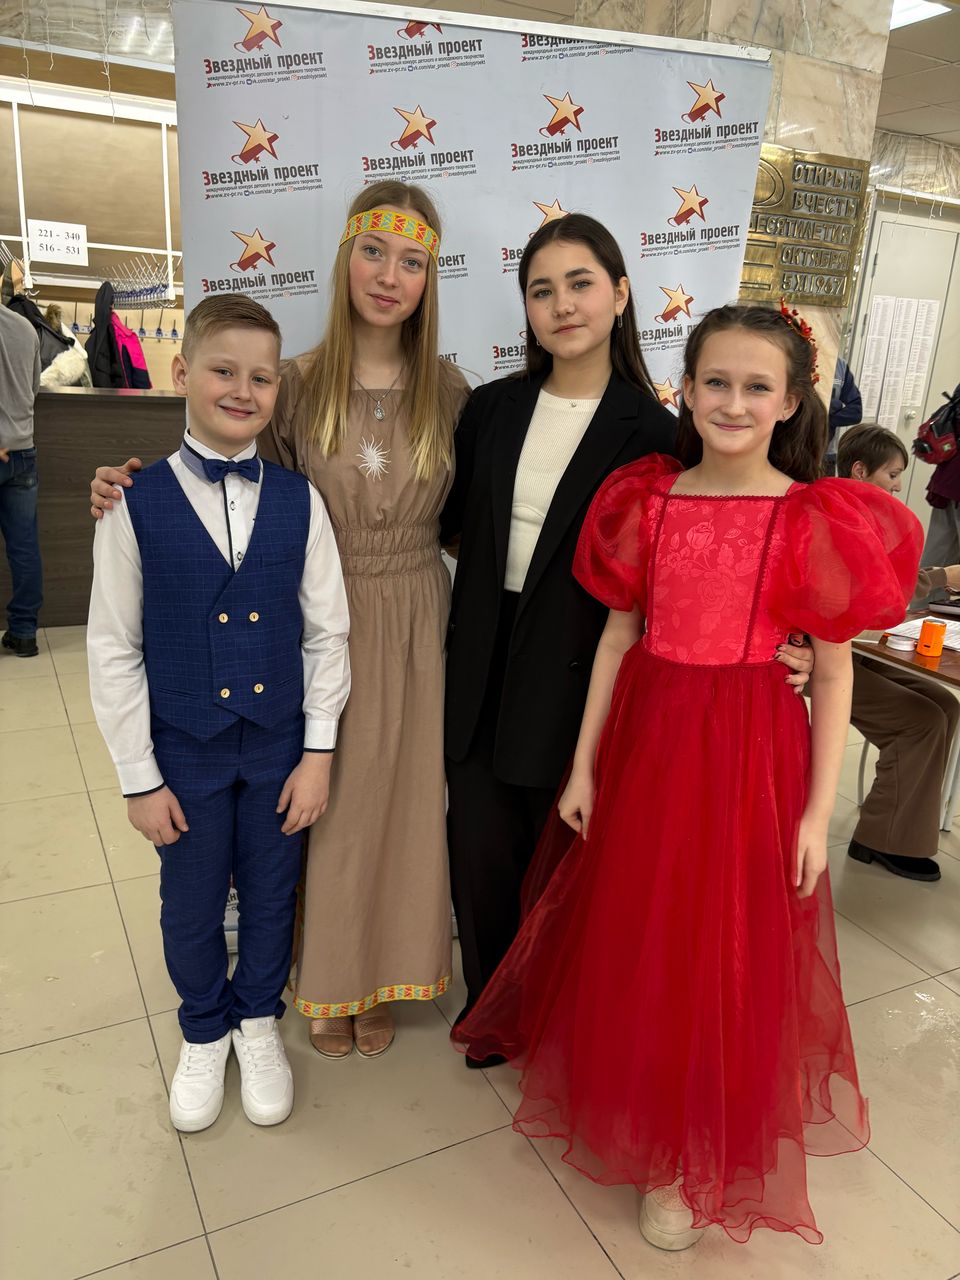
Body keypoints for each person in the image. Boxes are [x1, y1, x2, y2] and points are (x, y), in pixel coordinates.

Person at [453, 304, 922, 1248]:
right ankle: (639, 1103)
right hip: (650, 741)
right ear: (687, 388)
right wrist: (584, 767)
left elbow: (834, 674)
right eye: (716, 382)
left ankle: (689, 1153)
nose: (734, 403)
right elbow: (616, 639)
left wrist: (815, 816)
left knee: (724, 942)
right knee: (643, 926)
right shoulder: (649, 501)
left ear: (791, 402)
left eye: (757, 387)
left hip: (751, 753)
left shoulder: (812, 515)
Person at [89, 182, 469, 1060]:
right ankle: (329, 974)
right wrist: (121, 487)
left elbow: (471, 520)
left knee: (406, 804)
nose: (389, 276)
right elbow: (232, 493)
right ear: (345, 258)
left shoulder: (451, 391)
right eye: (374, 252)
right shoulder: (292, 384)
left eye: (412, 261)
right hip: (312, 620)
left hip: (417, 615)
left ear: (430, 278)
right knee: (322, 808)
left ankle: (388, 973)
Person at [440, 216, 814, 1063]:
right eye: (542, 290)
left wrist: (790, 643)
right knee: (481, 853)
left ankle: (559, 1018)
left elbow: (722, 537)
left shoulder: (653, 429)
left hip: (584, 674)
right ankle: (492, 1009)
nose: (562, 305)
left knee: (568, 866)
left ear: (619, 293)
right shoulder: (491, 408)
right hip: (481, 662)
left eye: (580, 283)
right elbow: (453, 524)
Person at [87, 295, 351, 1132]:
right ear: (181, 372)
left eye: (261, 378)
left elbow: (327, 634)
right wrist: (138, 778)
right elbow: (113, 648)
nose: (242, 390)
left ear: (277, 390)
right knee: (192, 901)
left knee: (273, 894)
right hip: (184, 750)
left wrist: (318, 753)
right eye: (223, 370)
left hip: (279, 747)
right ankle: (204, 1027)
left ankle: (257, 1020)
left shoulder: (302, 501)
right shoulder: (131, 504)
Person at [837, 423, 959, 882]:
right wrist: (943, 577)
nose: (897, 484)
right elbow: (878, 593)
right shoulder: (841, 518)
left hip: (847, 648)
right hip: (818, 656)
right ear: (859, 470)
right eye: (891, 474)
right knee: (921, 719)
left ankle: (898, 825)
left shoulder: (865, 516)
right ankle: (879, 838)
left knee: (945, 704)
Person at [0, 290, 43, 658]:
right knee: (24, 547)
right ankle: (25, 632)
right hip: (22, 450)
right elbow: (33, 389)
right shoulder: (25, 328)